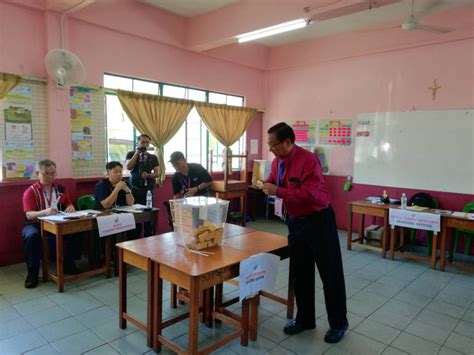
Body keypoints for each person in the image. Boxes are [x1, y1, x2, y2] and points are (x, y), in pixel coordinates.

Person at [260, 122, 348, 344]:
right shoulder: (277, 161)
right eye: (269, 145)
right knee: (300, 273)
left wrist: (277, 191)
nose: (271, 149)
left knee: (330, 274)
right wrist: (265, 184)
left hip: (319, 221)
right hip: (296, 223)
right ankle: (305, 318)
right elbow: (274, 181)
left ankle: (338, 324)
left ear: (288, 142)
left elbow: (309, 194)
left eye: (274, 145)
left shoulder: (308, 161)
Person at [22, 159, 79, 288]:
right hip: (35, 223)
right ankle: (33, 274)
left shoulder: (60, 187)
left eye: (53, 173)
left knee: (75, 230)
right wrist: (44, 212)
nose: (50, 177)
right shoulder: (31, 191)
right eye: (46, 173)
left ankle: (69, 265)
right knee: (32, 237)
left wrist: (70, 206)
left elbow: (68, 203)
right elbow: (28, 214)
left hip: (57, 221)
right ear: (38, 174)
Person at [125, 134, 159, 236]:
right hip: (134, 190)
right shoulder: (131, 154)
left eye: (147, 142)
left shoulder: (152, 157)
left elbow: (157, 173)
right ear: (138, 143)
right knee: (136, 217)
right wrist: (137, 153)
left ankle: (149, 237)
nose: (145, 144)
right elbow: (128, 167)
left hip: (147, 191)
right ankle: (135, 238)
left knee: (148, 217)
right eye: (143, 142)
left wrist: (148, 175)